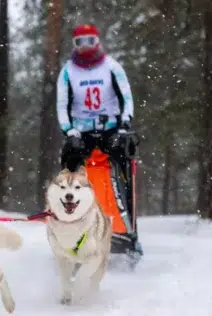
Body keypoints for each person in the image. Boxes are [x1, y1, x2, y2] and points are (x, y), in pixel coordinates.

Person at [55, 23, 142, 259]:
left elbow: (126, 97)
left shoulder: (112, 67)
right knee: (70, 169)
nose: (85, 47)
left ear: (97, 41)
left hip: (110, 129)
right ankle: (70, 229)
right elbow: (62, 105)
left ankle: (125, 230)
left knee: (121, 163)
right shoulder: (68, 72)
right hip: (80, 132)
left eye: (89, 41)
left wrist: (124, 124)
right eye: (79, 42)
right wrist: (69, 131)